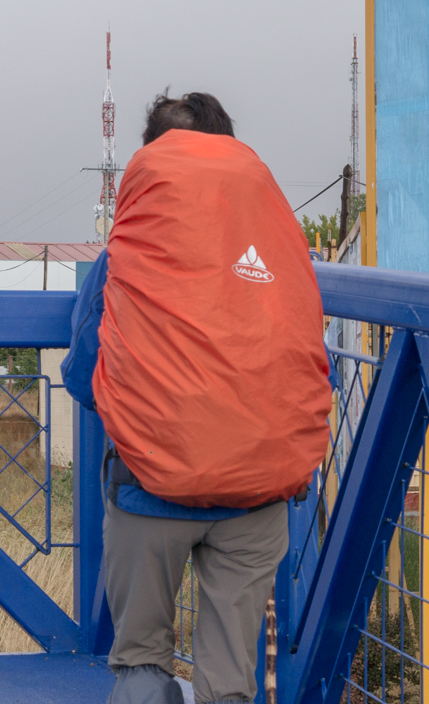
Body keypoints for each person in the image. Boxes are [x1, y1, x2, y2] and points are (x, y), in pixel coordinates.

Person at [63, 92, 334, 704]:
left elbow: (84, 376)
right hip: (258, 498)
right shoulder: (284, 253)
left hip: (148, 491)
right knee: (230, 684)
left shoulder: (127, 255)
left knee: (140, 668)